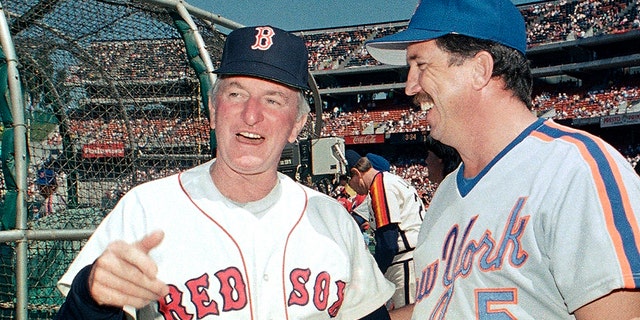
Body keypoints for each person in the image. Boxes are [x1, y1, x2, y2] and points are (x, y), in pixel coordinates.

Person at [55, 25, 394, 319]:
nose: (251, 115)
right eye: (236, 94)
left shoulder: (332, 218)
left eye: (273, 100)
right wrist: (90, 299)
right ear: (214, 111)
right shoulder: (146, 207)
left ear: (297, 124)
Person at [365, 0, 640, 319]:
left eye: (421, 66)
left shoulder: (574, 168)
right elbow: (445, 306)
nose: (410, 86)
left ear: (480, 69)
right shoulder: (446, 194)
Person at [345, 150, 425, 313]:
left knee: (409, 315)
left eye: (348, 181)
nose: (350, 187)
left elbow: (388, 243)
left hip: (405, 262)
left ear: (356, 173)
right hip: (412, 259)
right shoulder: (389, 180)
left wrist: (374, 274)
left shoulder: (380, 184)